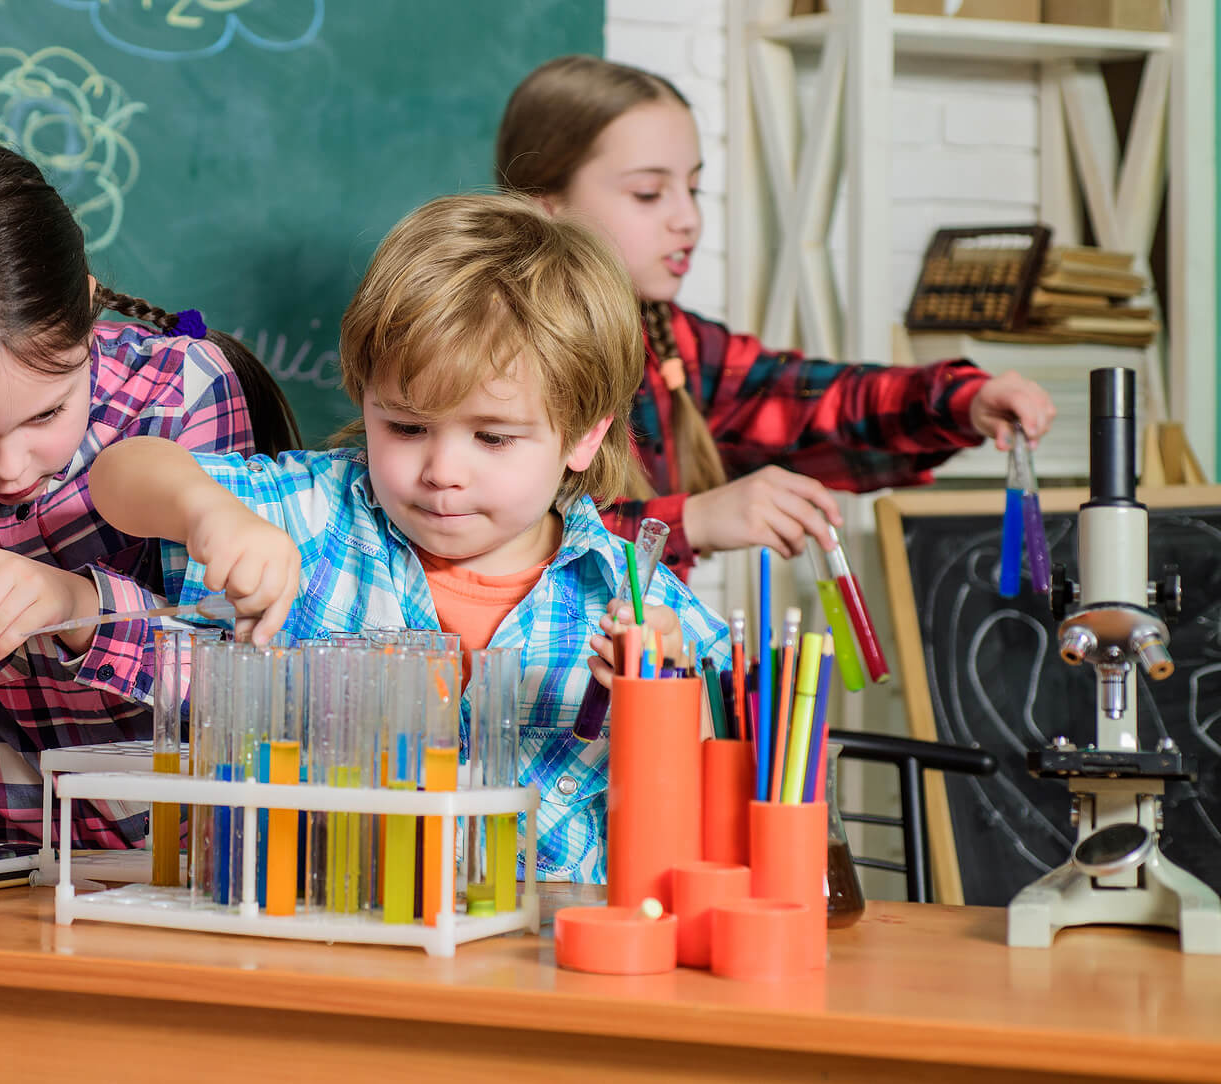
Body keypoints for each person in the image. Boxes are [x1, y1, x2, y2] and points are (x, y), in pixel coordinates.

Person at [89, 193, 728, 882]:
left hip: (539, 976)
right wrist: (205, 512)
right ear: (364, 400)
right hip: (324, 948)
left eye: (492, 437)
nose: (442, 472)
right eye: (406, 427)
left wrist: (663, 703)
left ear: (584, 434)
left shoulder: (643, 607)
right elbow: (122, 472)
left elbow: (711, 835)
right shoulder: (316, 515)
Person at [0, 143, 301, 847]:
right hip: (13, 875)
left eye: (45, 415)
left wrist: (81, 609)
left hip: (213, 869)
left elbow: (258, 694)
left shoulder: (178, 394)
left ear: (90, 315)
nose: (9, 467)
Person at [496, 55, 1058, 574]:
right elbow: (500, 538)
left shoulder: (672, 343)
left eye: (693, 187)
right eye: (648, 193)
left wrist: (960, 400)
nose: (688, 219)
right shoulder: (488, 350)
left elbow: (813, 404)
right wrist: (694, 519)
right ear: (547, 206)